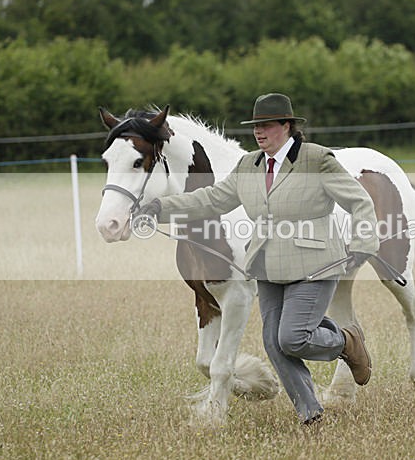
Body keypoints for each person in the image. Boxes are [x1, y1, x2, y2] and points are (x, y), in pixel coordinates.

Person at [139, 93, 379, 425]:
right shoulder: (249, 165)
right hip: (266, 264)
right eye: (256, 127)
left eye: (266, 125)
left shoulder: (317, 160)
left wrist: (364, 241)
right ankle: (310, 412)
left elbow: (360, 201)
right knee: (274, 343)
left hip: (315, 263)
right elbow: (212, 199)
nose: (259, 132)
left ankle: (346, 341)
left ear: (287, 126)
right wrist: (162, 207)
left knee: (292, 337)